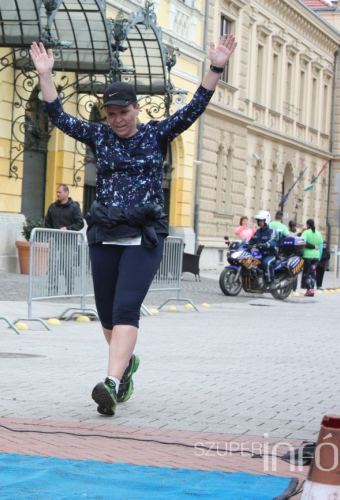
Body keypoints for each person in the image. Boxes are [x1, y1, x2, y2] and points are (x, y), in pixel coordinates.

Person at [30, 33, 237, 416]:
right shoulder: (99, 136)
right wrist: (46, 75)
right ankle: (125, 364)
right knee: (107, 314)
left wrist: (216, 67)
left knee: (126, 308)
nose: (118, 120)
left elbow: (195, 106)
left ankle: (110, 382)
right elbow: (58, 115)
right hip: (105, 232)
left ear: (137, 108)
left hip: (144, 234)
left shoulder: (157, 134)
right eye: (111, 114)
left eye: (123, 112)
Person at [45, 184, 84, 294]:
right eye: (57, 192)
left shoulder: (74, 206)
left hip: (69, 241)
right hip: (55, 240)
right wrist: (50, 235)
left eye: (60, 192)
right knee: (52, 265)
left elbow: (80, 223)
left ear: (67, 193)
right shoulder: (52, 207)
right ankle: (52, 290)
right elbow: (47, 222)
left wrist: (68, 228)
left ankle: (69, 290)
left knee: (68, 265)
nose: (58, 194)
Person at [248, 211, 278, 286]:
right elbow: (251, 240)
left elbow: (273, 241)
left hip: (270, 254)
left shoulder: (271, 231)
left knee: (266, 263)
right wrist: (246, 244)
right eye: (259, 221)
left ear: (266, 221)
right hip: (260, 254)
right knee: (249, 261)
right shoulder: (257, 232)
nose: (259, 222)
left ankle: (271, 281)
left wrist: (265, 244)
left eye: (261, 221)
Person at [300, 219, 323, 297]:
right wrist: (319, 256)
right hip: (316, 256)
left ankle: (309, 288)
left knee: (307, 273)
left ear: (307, 225)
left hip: (307, 256)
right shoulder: (319, 234)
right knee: (313, 273)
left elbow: (302, 242)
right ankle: (312, 288)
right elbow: (321, 246)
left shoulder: (305, 233)